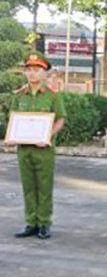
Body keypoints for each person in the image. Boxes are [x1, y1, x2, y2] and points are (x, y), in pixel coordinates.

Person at [7, 52, 66, 240]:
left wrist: (48, 135)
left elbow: (60, 120)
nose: (32, 74)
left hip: (43, 149)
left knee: (44, 186)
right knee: (28, 186)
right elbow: (14, 120)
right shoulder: (19, 96)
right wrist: (12, 136)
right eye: (29, 70)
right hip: (24, 149)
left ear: (45, 73)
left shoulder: (52, 96)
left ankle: (44, 223)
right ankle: (30, 222)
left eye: (36, 70)